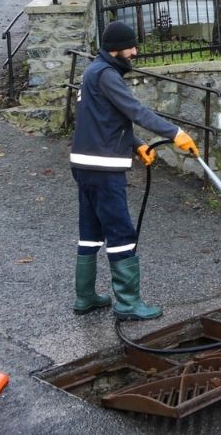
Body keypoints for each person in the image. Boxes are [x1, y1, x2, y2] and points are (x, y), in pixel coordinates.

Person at [69, 21, 199, 320]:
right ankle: (128, 304)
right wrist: (175, 132)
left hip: (84, 164)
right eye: (131, 47)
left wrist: (136, 143)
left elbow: (103, 119)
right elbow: (135, 110)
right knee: (120, 231)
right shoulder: (107, 75)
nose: (135, 52)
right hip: (104, 169)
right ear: (116, 48)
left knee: (91, 230)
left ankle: (85, 296)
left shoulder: (92, 72)